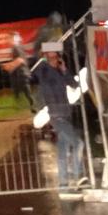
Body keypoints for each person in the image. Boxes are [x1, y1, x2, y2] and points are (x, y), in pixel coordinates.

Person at [30, 43, 85, 191]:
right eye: (51, 52)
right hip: (56, 115)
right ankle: (78, 174)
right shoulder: (43, 70)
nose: (55, 55)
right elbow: (35, 77)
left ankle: (63, 182)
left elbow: (74, 85)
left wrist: (65, 70)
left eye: (56, 52)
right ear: (46, 55)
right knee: (78, 143)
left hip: (66, 113)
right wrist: (42, 59)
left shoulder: (60, 70)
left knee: (62, 149)